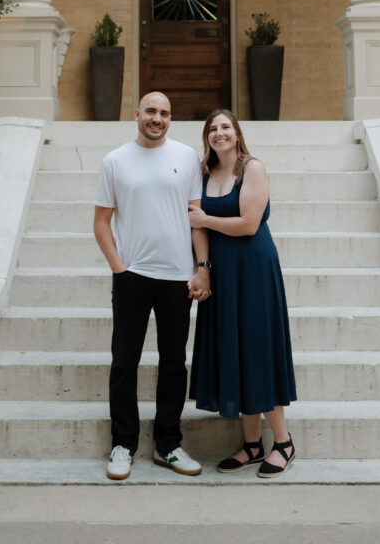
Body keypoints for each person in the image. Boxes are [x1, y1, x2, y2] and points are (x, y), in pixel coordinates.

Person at [93, 90, 211, 481]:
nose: (157, 118)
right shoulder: (115, 160)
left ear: (170, 119)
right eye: (151, 111)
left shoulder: (187, 157)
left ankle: (167, 445)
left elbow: (196, 218)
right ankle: (123, 445)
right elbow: (101, 221)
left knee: (174, 363)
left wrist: (201, 268)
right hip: (133, 277)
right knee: (125, 362)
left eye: (164, 113)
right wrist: (118, 267)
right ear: (137, 114)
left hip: (178, 278)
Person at [188, 108, 297, 478]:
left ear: (237, 133)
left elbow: (249, 224)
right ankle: (252, 445)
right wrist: (201, 267)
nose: (220, 133)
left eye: (226, 127)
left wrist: (205, 219)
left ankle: (283, 442)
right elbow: (194, 226)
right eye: (213, 129)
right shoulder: (203, 172)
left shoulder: (251, 168)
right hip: (221, 272)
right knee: (234, 350)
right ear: (207, 137)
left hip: (253, 269)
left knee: (257, 349)